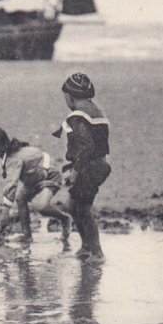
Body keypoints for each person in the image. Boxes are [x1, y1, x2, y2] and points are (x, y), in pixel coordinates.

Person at [0, 126, 72, 243]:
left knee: (41, 206)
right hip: (32, 178)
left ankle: (65, 218)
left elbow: (12, 185)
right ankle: (27, 235)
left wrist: (5, 212)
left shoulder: (13, 159)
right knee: (20, 198)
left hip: (49, 175)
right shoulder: (10, 154)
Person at [53, 73, 111, 262]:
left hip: (88, 167)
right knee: (72, 205)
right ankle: (86, 246)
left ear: (69, 97)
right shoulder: (97, 112)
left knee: (83, 208)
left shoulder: (76, 117)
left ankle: (97, 252)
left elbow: (86, 146)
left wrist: (75, 171)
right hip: (100, 164)